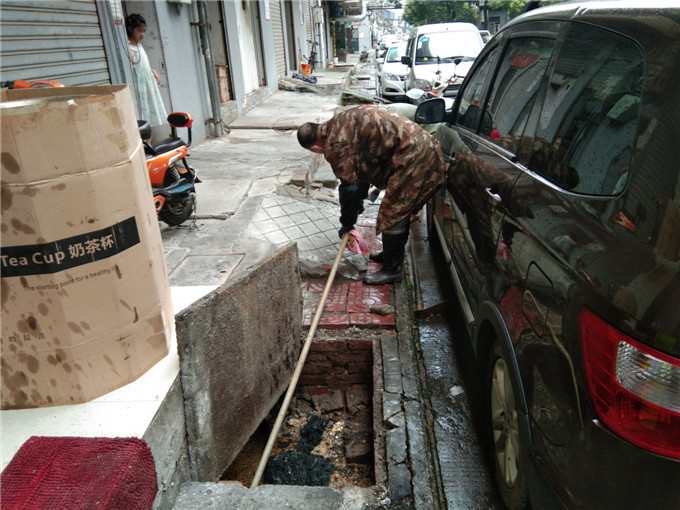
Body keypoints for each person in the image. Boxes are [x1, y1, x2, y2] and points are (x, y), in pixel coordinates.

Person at [297, 104, 446, 285]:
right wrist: (359, 200)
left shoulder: (335, 145)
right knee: (398, 209)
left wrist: (347, 223)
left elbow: (348, 187)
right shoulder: (339, 121)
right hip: (418, 145)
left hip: (414, 155)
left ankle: (393, 270)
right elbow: (360, 170)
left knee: (393, 211)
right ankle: (390, 254)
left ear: (314, 148)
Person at [125, 13, 167, 127]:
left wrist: (152, 70)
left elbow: (143, 64)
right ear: (130, 29)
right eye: (139, 31)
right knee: (143, 111)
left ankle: (148, 135)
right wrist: (127, 45)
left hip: (148, 81)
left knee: (150, 110)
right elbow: (133, 62)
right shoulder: (129, 47)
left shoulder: (139, 45)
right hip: (140, 83)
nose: (142, 34)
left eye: (144, 31)